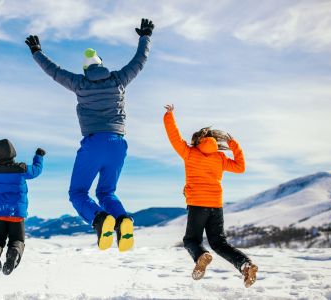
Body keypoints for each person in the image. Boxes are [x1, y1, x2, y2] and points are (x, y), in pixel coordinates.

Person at [24, 18, 154, 252]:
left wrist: (36, 52)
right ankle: (122, 220)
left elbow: (54, 72)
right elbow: (139, 61)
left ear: (86, 69)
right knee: (107, 191)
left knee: (78, 193)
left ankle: (100, 219)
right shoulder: (119, 80)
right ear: (101, 64)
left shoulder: (79, 83)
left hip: (94, 143)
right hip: (118, 144)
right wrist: (145, 37)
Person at [163, 104, 258, 287]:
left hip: (198, 205)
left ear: (197, 141)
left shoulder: (189, 154)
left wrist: (169, 115)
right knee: (220, 243)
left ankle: (201, 256)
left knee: (191, 240)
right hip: (216, 206)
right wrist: (233, 144)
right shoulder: (220, 158)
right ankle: (246, 265)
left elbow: (173, 137)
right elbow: (240, 167)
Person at [0, 139, 44, 275]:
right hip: (17, 214)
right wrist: (39, 156)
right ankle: (14, 253)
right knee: (17, 240)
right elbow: (36, 171)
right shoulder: (21, 169)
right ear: (13, 152)